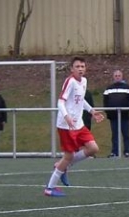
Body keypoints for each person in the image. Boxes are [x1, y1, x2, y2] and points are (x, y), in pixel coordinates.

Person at [43, 56, 105, 197]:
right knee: (68, 156)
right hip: (66, 125)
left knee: (93, 148)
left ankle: (64, 166)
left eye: (82, 66)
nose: (80, 69)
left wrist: (92, 111)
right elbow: (60, 102)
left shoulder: (84, 81)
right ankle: (49, 188)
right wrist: (66, 116)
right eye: (77, 66)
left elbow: (80, 100)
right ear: (71, 69)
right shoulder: (70, 81)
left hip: (78, 124)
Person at [102, 69, 129, 158]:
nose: (117, 77)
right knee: (115, 135)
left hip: (124, 116)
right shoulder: (109, 88)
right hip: (113, 117)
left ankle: (127, 151)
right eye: (116, 76)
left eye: (119, 76)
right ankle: (115, 152)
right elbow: (105, 101)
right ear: (113, 77)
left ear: (122, 76)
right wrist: (109, 112)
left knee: (126, 134)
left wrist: (125, 110)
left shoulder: (128, 88)